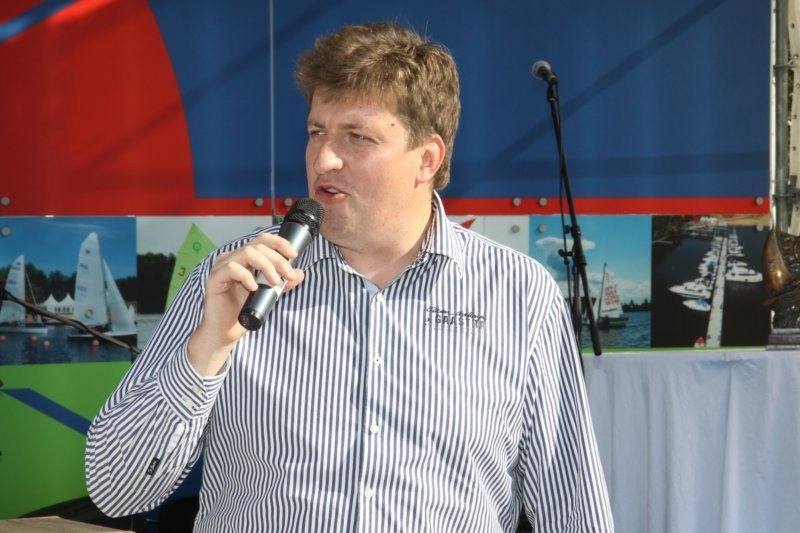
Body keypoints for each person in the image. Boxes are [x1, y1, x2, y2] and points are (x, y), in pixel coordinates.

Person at [85, 21, 614, 532]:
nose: (324, 158)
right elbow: (116, 490)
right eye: (317, 131)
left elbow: (572, 508)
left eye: (357, 137)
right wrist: (206, 350)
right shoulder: (235, 277)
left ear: (427, 158)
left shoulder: (519, 293)